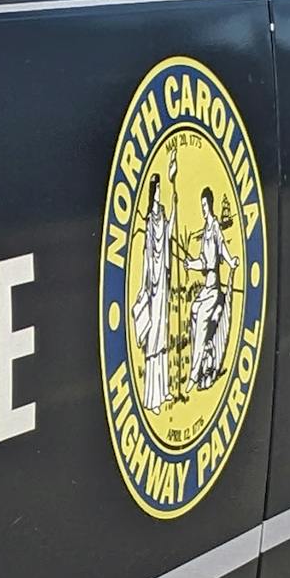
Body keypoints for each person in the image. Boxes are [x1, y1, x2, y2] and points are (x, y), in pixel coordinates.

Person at [131, 174, 172, 412]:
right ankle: (152, 397)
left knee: (163, 336)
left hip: (163, 285)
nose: (159, 194)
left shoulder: (163, 215)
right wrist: (146, 286)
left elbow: (166, 238)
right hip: (153, 286)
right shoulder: (148, 222)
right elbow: (149, 254)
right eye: (156, 190)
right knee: (154, 339)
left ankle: (164, 390)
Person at [187, 186, 231, 392]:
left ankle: (194, 375)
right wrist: (190, 264)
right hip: (206, 288)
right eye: (201, 205)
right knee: (193, 312)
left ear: (210, 205)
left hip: (214, 289)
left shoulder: (214, 228)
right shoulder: (205, 230)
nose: (202, 209)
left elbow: (221, 251)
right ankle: (201, 356)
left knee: (202, 320)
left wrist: (232, 262)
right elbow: (203, 261)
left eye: (205, 205)